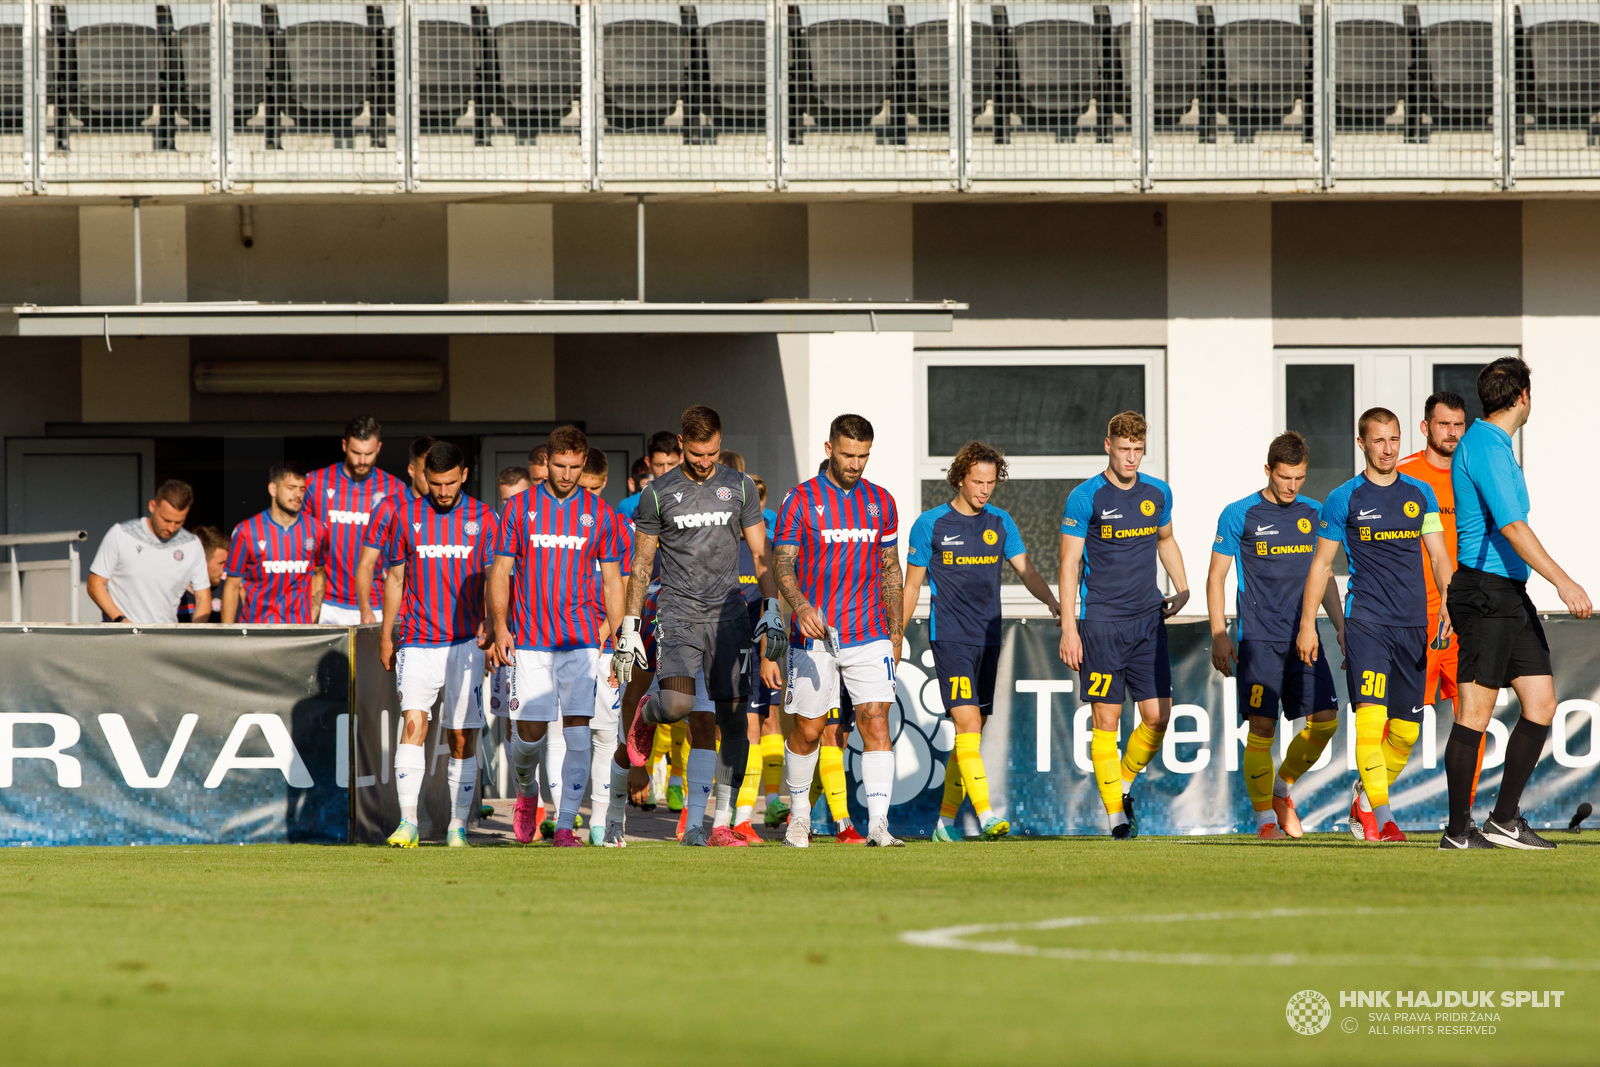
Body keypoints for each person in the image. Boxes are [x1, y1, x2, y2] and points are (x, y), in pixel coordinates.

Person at [1442, 357, 1592, 850]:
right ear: (1523, 396)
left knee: (1542, 703)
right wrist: (1563, 582)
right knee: (1475, 713)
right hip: (1484, 591)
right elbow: (1512, 525)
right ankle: (1457, 831)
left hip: (1508, 592)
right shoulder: (1484, 444)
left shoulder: (1499, 446)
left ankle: (1504, 820)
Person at [615, 406, 782, 848]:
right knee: (675, 704)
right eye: (696, 453)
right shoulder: (658, 494)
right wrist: (631, 625)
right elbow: (642, 562)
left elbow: (762, 554)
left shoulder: (740, 487)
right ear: (681, 443)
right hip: (678, 615)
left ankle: (720, 824)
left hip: (729, 618)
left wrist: (772, 608)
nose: (705, 461)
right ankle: (646, 715)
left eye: (712, 452)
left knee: (733, 720)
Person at [1296, 408, 1454, 844]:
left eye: (1394, 440)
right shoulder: (1343, 498)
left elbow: (1440, 557)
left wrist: (1449, 604)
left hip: (1413, 627)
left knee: (1404, 734)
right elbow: (1321, 565)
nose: (1388, 449)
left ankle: (1364, 798)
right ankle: (1383, 820)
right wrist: (1308, 625)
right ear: (1361, 443)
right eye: (1379, 441)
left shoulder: (1419, 494)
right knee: (1370, 723)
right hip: (1366, 623)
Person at [906, 440, 1060, 843]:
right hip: (951, 638)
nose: (985, 489)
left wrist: (1053, 601)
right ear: (960, 478)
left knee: (970, 733)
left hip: (989, 637)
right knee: (968, 722)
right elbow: (910, 588)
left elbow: (1026, 570)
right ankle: (988, 814)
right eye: (978, 481)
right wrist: (893, 636)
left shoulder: (1001, 522)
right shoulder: (930, 524)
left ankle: (943, 823)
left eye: (991, 481)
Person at [773, 413, 904, 849]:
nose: (856, 463)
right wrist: (802, 606)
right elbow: (783, 564)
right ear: (829, 449)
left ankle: (879, 825)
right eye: (848, 454)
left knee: (875, 721)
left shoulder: (881, 501)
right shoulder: (800, 499)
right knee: (810, 729)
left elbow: (890, 571)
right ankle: (798, 817)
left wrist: (897, 634)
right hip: (815, 636)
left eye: (863, 456)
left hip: (870, 633)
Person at [1058, 411, 1190, 839]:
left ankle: (1125, 783)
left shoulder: (1158, 492)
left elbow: (1165, 540)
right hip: (1101, 625)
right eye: (1124, 449)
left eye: (1138, 450)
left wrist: (1183, 587)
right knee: (1106, 720)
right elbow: (1068, 563)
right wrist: (1069, 627)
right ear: (1107, 446)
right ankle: (1116, 817)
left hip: (1149, 622)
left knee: (1157, 717)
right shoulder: (1085, 497)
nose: (1131, 458)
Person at [490, 430, 624, 849]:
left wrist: (613, 632)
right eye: (559, 465)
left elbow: (612, 581)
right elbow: (500, 572)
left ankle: (566, 825)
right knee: (527, 736)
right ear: (546, 461)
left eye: (575, 467)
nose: (567, 474)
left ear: (585, 463)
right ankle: (527, 793)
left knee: (580, 732)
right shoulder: (519, 508)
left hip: (582, 643)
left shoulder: (600, 513)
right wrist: (499, 626)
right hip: (530, 642)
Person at [1207, 432, 1345, 840]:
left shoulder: (1316, 512)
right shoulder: (1239, 513)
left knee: (1325, 723)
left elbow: (1326, 577)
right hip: (1258, 642)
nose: (1292, 486)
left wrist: (1339, 626)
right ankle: (1266, 820)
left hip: (1305, 637)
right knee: (1261, 730)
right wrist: (1218, 632)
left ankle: (1282, 786)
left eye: (1299, 478)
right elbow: (1216, 577)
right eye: (1285, 477)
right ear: (1268, 470)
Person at [381, 442, 498, 849]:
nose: (443, 491)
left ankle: (456, 826)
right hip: (416, 640)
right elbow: (395, 578)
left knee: (462, 738)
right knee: (413, 724)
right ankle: (408, 823)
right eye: (435, 483)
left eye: (450, 483)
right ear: (422, 477)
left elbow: (493, 579)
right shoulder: (404, 514)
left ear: (463, 475)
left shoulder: (484, 517)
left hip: (466, 643)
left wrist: (493, 626)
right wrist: (385, 632)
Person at [1395, 393, 1473, 791]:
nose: (1453, 433)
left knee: (1472, 714)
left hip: (1464, 616)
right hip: (1414, 618)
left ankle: (1465, 817)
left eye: (1459, 425)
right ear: (1426, 427)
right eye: (1444, 424)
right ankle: (1371, 799)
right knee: (1405, 722)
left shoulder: (1474, 474)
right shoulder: (1404, 474)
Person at [304, 415, 411, 626]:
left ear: (379, 447)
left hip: (376, 604)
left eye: (369, 453)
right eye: (356, 453)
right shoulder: (314, 483)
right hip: (326, 603)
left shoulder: (395, 489)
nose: (362, 460)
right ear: (344, 445)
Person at [88, 479, 212, 624]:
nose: (171, 528)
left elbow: (203, 597)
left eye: (178, 522)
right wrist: (121, 620)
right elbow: (94, 584)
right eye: (166, 520)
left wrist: (194, 636)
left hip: (165, 638)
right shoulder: (121, 534)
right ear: (152, 506)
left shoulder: (192, 544)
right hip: (121, 636)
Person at [222, 463, 329, 625]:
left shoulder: (317, 529)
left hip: (298, 633)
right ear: (273, 489)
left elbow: (319, 573)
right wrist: (227, 634)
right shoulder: (246, 531)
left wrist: (314, 613)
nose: (298, 494)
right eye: (291, 487)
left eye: (301, 488)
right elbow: (232, 585)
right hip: (256, 632)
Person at [355, 435, 436, 624]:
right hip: (399, 615)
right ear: (411, 470)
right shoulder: (388, 507)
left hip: (442, 617)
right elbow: (366, 563)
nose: (432, 479)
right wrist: (365, 608)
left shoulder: (452, 511)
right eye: (426, 473)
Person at [615, 431, 681, 522]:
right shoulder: (634, 505)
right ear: (648, 462)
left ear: (682, 459)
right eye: (659, 465)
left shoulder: (698, 495)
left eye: (671, 464)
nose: (666, 471)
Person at [177, 525, 230, 623]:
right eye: (221, 563)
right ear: (202, 562)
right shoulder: (176, 595)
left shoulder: (227, 592)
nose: (225, 568)